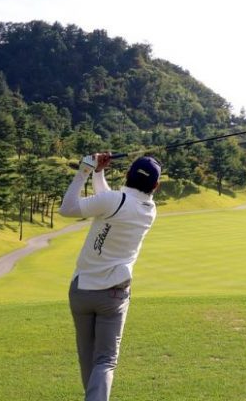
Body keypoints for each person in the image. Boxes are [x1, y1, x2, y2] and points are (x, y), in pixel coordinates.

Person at [58, 153, 160, 401]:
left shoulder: (113, 201)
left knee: (87, 358)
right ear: (155, 186)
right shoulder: (149, 210)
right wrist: (98, 173)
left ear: (127, 175)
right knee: (104, 362)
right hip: (113, 295)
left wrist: (85, 170)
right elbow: (110, 202)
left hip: (82, 291)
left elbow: (68, 208)